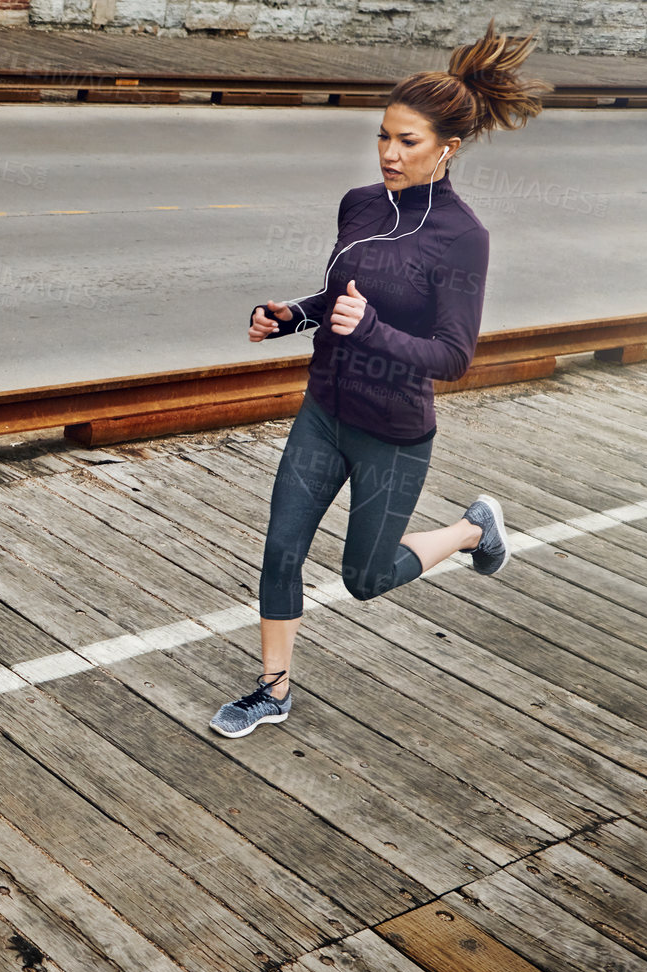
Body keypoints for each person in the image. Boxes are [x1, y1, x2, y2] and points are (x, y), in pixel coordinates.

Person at [210, 18, 553, 739]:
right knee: (280, 549)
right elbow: (341, 298)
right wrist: (291, 316)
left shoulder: (463, 238)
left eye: (408, 142)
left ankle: (470, 529)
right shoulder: (360, 205)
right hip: (325, 411)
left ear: (448, 149)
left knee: (366, 579)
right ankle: (272, 691)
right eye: (382, 136)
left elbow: (453, 355)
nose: (388, 154)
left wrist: (369, 332)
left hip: (392, 435)